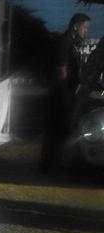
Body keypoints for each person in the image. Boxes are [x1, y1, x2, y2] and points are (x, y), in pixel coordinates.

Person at [40, 13, 92, 173]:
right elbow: (61, 70)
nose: (86, 31)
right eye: (85, 27)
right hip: (60, 93)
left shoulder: (71, 42)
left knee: (61, 129)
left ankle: (52, 163)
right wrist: (65, 95)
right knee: (57, 128)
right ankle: (49, 164)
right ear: (76, 26)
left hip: (64, 91)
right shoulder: (65, 42)